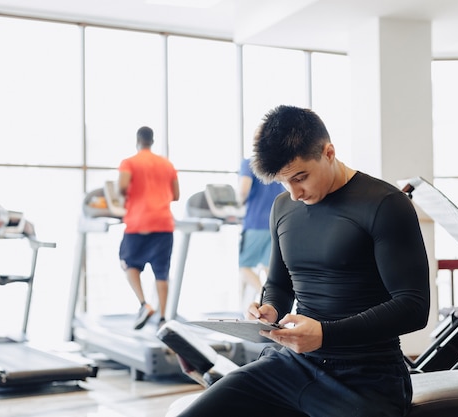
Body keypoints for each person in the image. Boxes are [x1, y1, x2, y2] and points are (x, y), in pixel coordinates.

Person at [175, 105, 430, 417]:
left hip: (367, 377)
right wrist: (269, 308)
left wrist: (326, 334)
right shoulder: (282, 207)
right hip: (291, 365)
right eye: (284, 182)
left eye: (301, 177)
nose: (294, 193)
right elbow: (279, 284)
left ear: (328, 152)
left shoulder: (386, 204)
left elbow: (414, 307)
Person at [118, 126, 180, 330]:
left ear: (138, 140)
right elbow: (176, 195)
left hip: (138, 223)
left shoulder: (129, 163)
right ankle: (163, 318)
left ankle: (144, 304)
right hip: (163, 223)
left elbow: (121, 187)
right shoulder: (167, 164)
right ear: (152, 141)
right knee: (162, 272)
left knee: (128, 263)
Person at [237, 157, 285, 306]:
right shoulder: (278, 162)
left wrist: (238, 202)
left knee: (244, 266)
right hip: (276, 221)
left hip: (255, 223)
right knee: (268, 266)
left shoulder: (249, 163)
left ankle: (264, 296)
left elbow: (243, 190)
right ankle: (273, 302)